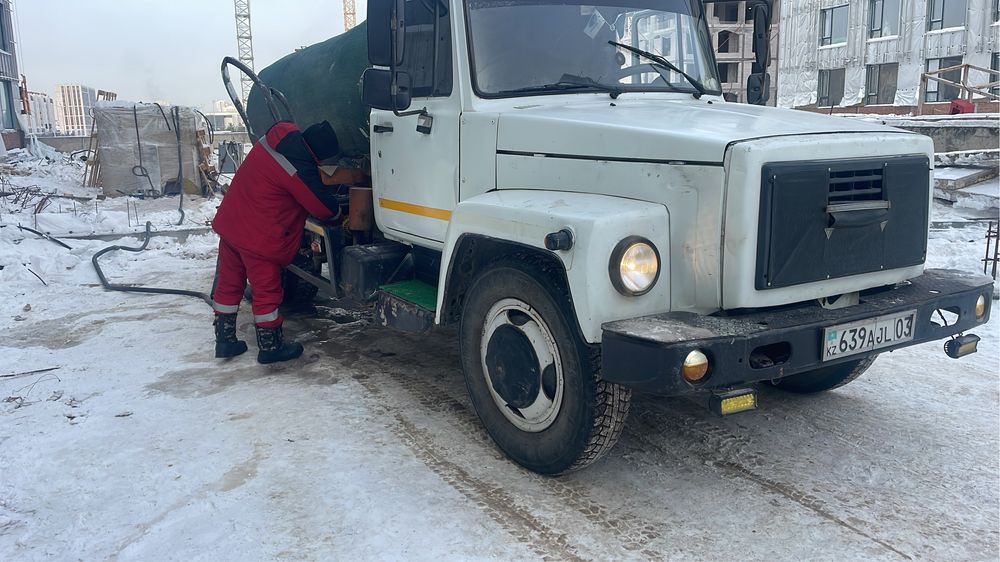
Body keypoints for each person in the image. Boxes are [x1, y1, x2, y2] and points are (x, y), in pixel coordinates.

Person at [210, 120, 344, 364]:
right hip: (258, 239)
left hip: (232, 225)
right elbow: (324, 209)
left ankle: (225, 340)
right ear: (318, 155)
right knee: (266, 292)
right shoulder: (298, 169)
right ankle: (271, 347)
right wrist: (338, 214)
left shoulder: (273, 142)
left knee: (229, 284)